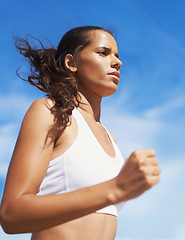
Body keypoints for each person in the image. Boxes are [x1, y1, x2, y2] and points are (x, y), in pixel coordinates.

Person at [0, 26, 161, 239]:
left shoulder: (109, 137)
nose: (117, 62)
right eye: (103, 53)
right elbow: (11, 215)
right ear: (71, 63)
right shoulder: (50, 112)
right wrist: (116, 188)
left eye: (117, 55)